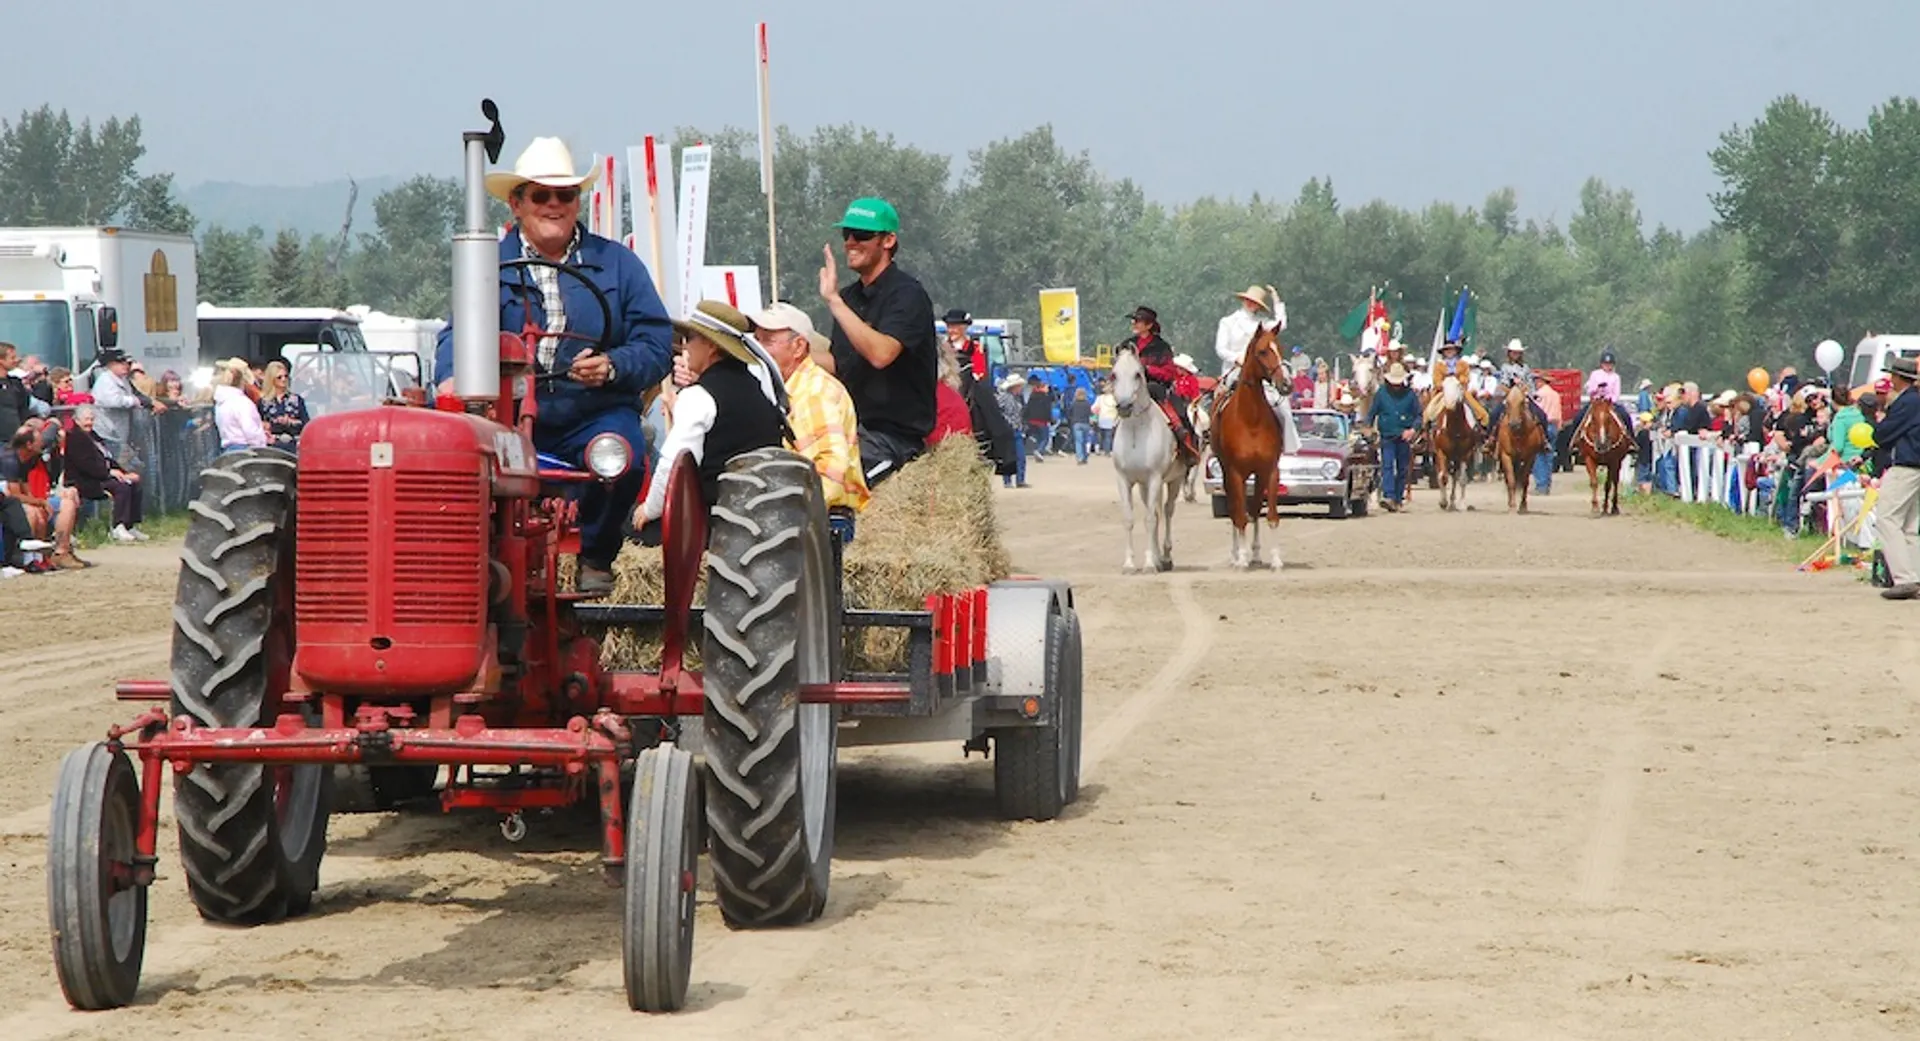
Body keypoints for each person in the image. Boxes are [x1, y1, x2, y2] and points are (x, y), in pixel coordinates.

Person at [433, 135, 673, 595]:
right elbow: (458, 333)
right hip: (508, 414)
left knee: (623, 456)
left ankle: (597, 555)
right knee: (454, 466)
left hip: (593, 411)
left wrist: (612, 365)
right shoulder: (489, 263)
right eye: (541, 195)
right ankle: (471, 567)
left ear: (577, 202)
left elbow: (655, 340)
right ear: (517, 204)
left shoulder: (617, 264)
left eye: (565, 195)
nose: (554, 205)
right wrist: (451, 376)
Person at [631, 301, 786, 543]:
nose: (684, 347)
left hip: (713, 527)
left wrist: (649, 510)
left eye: (690, 338)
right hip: (764, 520)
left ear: (711, 346)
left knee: (622, 525)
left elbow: (672, 467)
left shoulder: (698, 397)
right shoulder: (758, 390)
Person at [817, 197, 938, 489]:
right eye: (847, 234)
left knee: (833, 492)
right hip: (849, 432)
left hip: (893, 440)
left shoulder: (907, 295)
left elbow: (881, 354)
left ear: (888, 240)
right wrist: (774, 349)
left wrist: (833, 301)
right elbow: (838, 363)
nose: (850, 242)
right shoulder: (849, 298)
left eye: (861, 235)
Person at [753, 302, 870, 514]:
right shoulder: (789, 388)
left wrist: (790, 515)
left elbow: (832, 467)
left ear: (798, 346)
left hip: (823, 519)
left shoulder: (816, 392)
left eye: (768, 341)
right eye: (757, 339)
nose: (758, 349)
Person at [1869, 357, 1920, 599]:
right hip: (1917, 466)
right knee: (1909, 526)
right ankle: (1915, 576)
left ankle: (1904, 578)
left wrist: (1880, 426)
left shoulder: (1907, 402)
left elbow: (1883, 434)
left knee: (1887, 518)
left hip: (1907, 465)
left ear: (1899, 378)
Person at [1122, 305, 1200, 461]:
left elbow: (1169, 373)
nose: (1134, 324)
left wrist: (1148, 369)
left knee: (1182, 413)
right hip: (1132, 387)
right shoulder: (1126, 345)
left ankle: (1185, 441)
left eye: (1138, 321)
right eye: (1134, 321)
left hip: (1156, 387)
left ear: (1149, 325)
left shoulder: (1161, 347)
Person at [1364, 362, 1421, 512]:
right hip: (1387, 435)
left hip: (1404, 436)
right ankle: (1388, 495)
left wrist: (1412, 430)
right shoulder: (1381, 393)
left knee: (1402, 468)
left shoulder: (1410, 395)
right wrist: (1368, 427)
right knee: (1387, 465)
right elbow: (1372, 412)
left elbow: (1419, 416)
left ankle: (1397, 498)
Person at [1213, 285, 1285, 391]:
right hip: (1233, 371)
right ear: (1243, 300)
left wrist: (1276, 300)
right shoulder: (1228, 322)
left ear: (1259, 306)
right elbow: (1221, 349)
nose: (1250, 303)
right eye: (1248, 300)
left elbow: (1280, 325)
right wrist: (1237, 358)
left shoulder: (1262, 323)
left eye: (1255, 302)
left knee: (1280, 401)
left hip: (1259, 373)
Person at [1567, 348, 1635, 438]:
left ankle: (1631, 441)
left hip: (1610, 403)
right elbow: (1589, 390)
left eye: (1610, 364)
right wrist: (1597, 389)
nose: (1608, 366)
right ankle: (1573, 441)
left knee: (1626, 416)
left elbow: (1616, 394)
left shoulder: (1616, 377)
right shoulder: (1595, 374)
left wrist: (1610, 400)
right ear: (1602, 364)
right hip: (1596, 402)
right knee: (1578, 417)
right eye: (1605, 364)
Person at [1484, 338, 1547, 431]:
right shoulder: (1505, 367)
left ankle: (1545, 440)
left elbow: (1530, 383)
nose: (1515, 355)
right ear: (1509, 353)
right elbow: (1503, 382)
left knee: (1542, 415)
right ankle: (1490, 439)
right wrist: (1511, 382)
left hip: (1524, 397)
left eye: (1517, 352)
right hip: (1509, 397)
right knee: (1494, 415)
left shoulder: (1525, 368)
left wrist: (1530, 392)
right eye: (1513, 352)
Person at [1423, 339, 1487, 428]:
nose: (1449, 351)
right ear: (1443, 352)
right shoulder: (1439, 365)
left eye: (1451, 349)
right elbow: (1436, 381)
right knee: (1431, 407)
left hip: (1460, 389)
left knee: (1474, 406)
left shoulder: (1463, 364)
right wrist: (1445, 384)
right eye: (1447, 350)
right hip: (1443, 391)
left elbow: (1466, 377)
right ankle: (1429, 426)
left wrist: (1458, 381)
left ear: (1456, 351)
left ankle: (1479, 424)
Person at [214, 359, 269, 452]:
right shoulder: (243, 403)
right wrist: (262, 444)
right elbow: (251, 432)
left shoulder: (220, 402)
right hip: (245, 451)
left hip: (227, 450)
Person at [258, 359, 310, 450]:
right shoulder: (263, 402)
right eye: (279, 377)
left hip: (293, 444)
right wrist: (268, 425)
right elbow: (257, 425)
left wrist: (291, 421)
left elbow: (306, 424)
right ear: (271, 379)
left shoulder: (296, 399)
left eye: (286, 376)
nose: (284, 379)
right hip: (272, 445)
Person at [942, 308, 987, 388]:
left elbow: (979, 371)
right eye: (949, 327)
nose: (951, 330)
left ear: (964, 328)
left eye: (955, 327)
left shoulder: (974, 347)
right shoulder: (942, 347)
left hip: (968, 386)